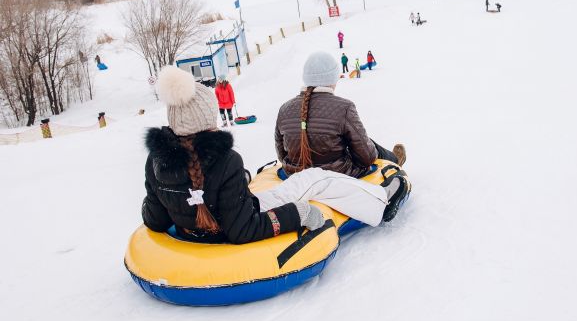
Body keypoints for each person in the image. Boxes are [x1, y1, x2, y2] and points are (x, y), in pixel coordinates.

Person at [141, 67, 409, 245]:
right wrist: (297, 214)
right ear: (207, 118)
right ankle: (381, 202)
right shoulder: (225, 161)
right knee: (314, 178)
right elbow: (242, 229)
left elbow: (155, 218)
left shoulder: (155, 162)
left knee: (305, 178)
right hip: (237, 223)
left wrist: (179, 196)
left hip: (209, 226)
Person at [275, 52, 407, 181]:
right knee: (367, 143)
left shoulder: (284, 109)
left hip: (294, 176)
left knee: (359, 140)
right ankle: (394, 160)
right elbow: (367, 157)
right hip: (337, 176)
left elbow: (282, 155)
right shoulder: (345, 107)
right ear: (333, 78)